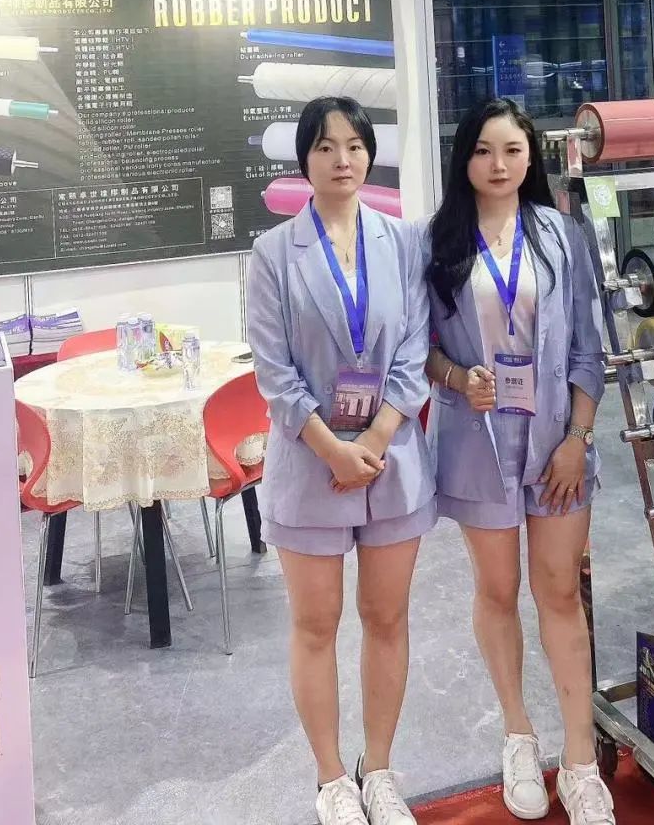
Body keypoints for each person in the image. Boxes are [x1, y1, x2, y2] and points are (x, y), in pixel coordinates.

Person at [423, 98, 613, 825]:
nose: (497, 165)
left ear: (531, 156)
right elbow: (418, 349)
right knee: (497, 591)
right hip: (478, 446)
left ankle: (580, 760)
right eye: (483, 151)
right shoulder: (439, 242)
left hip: (557, 444)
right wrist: (454, 377)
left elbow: (590, 349)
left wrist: (577, 439)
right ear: (464, 158)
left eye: (511, 150)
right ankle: (518, 736)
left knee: (559, 593)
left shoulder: (562, 235)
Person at [247, 96, 436, 825]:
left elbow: (415, 350)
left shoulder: (404, 242)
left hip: (391, 462)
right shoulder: (273, 254)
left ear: (369, 154)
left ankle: (378, 770)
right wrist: (333, 448)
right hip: (310, 464)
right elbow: (274, 374)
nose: (342, 159)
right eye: (325, 147)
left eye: (354, 145)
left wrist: (377, 439)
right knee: (316, 624)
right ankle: (331, 778)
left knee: (387, 617)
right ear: (305, 158)